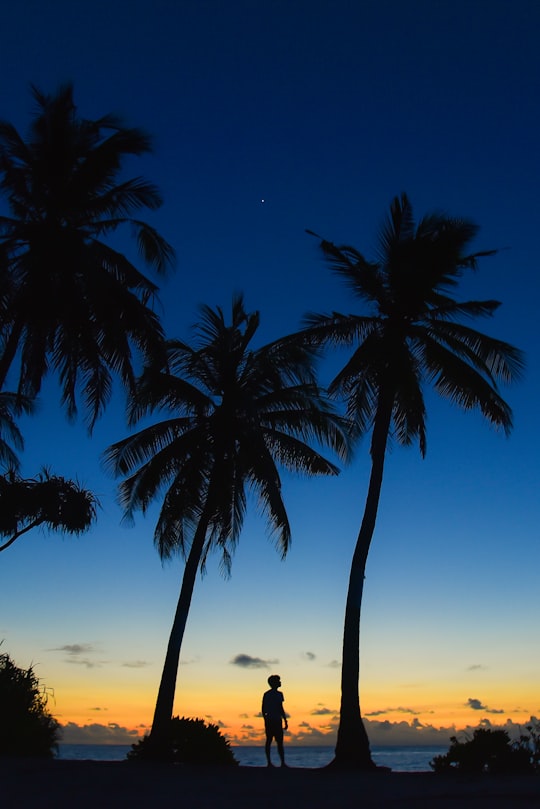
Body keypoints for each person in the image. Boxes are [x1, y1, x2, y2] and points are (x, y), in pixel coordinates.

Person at [262, 674, 288, 767]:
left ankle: (281, 762)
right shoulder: (268, 694)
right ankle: (270, 762)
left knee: (278, 742)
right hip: (272, 720)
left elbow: (280, 708)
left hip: (276, 719)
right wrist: (266, 720)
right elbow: (264, 708)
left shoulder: (278, 694)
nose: (280, 682)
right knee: (270, 740)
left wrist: (285, 720)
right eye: (278, 681)